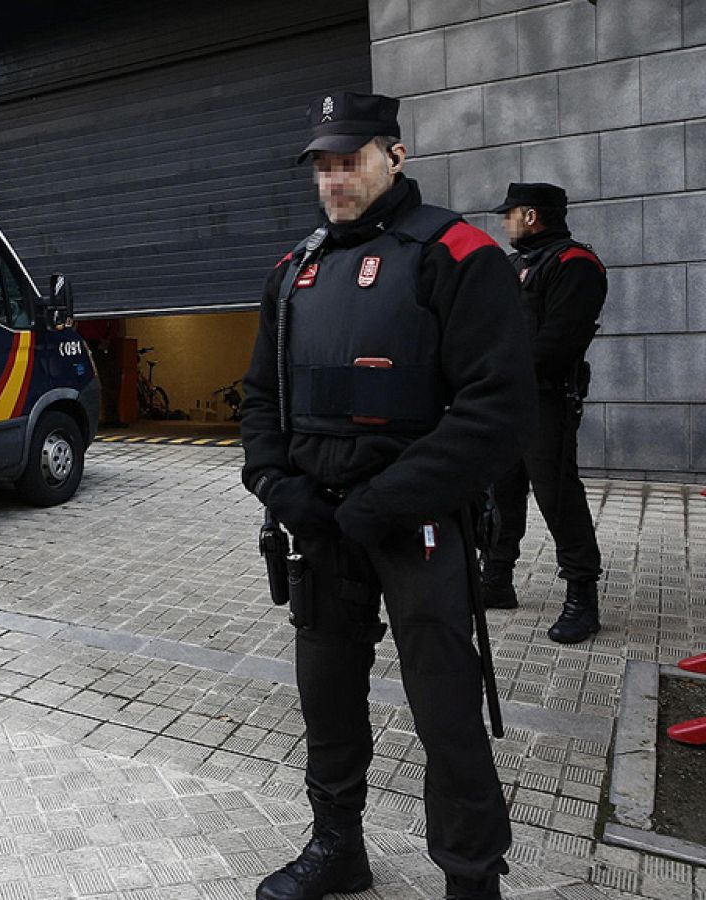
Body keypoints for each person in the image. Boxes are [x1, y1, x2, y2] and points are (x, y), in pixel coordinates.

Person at [240, 92, 536, 900]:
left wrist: (390, 501)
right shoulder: (290, 271)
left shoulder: (457, 253)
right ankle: (338, 850)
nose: (335, 179)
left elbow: (497, 409)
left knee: (445, 711)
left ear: (394, 156)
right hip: (321, 527)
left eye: (352, 160)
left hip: (417, 524)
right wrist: (274, 482)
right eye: (323, 165)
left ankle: (472, 878)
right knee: (327, 700)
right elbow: (259, 398)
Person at [480, 183, 606, 644]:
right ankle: (496, 580)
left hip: (546, 401)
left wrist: (500, 373)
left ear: (531, 215)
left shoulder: (575, 265)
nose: (504, 222)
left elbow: (558, 342)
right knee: (501, 492)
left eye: (509, 214)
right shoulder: (515, 265)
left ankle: (582, 598)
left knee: (557, 496)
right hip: (506, 401)